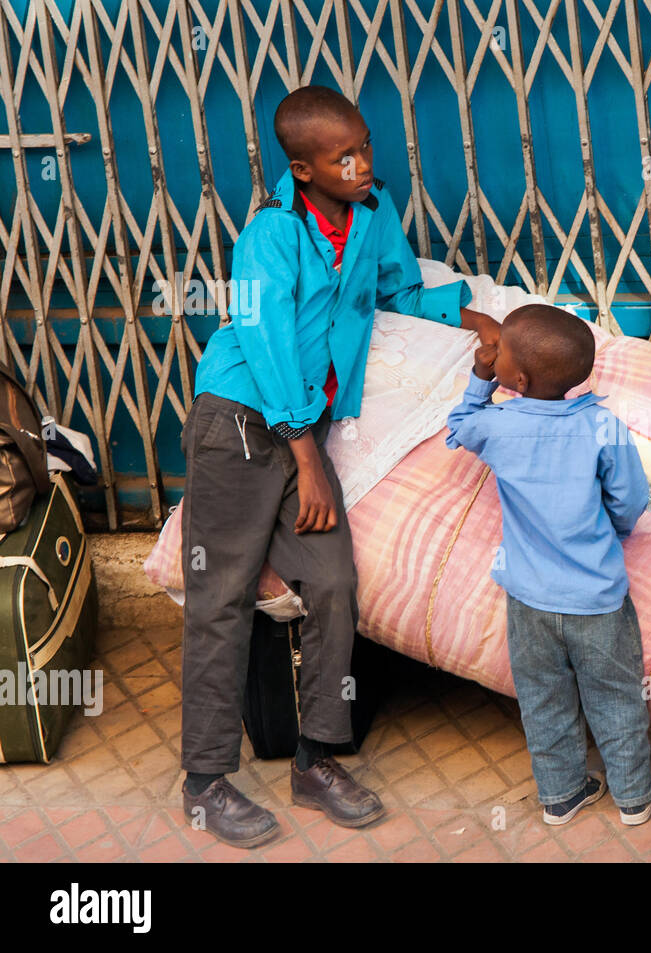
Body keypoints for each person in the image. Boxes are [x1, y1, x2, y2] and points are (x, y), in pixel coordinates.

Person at [181, 85, 500, 848]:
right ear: (301, 167)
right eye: (342, 156)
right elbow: (265, 340)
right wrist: (305, 454)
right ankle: (205, 781)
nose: (361, 164)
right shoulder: (270, 232)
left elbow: (396, 291)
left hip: (302, 433)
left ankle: (316, 758)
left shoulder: (372, 213)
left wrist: (473, 314)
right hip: (241, 421)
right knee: (221, 597)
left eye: (363, 147)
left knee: (332, 582)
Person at [444, 304, 651, 826]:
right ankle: (633, 796)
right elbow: (630, 499)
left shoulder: (498, 424)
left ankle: (560, 796)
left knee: (543, 700)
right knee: (616, 696)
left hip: (529, 600)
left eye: (502, 355)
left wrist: (478, 377)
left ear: (513, 377)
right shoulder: (604, 425)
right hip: (598, 598)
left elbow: (459, 427)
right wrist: (614, 532)